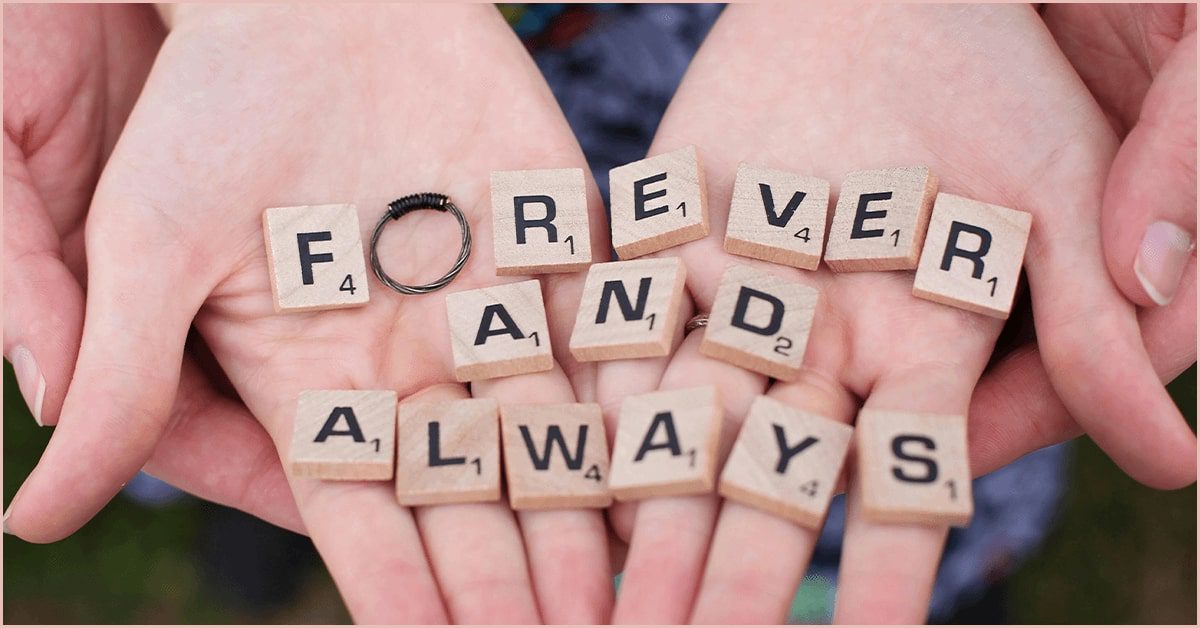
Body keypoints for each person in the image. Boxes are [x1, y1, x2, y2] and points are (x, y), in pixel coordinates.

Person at [3, 3, 1194, 623]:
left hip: (853, 96)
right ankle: (269, 526)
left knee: (861, 434)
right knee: (316, 430)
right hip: (299, 130)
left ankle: (941, 585)